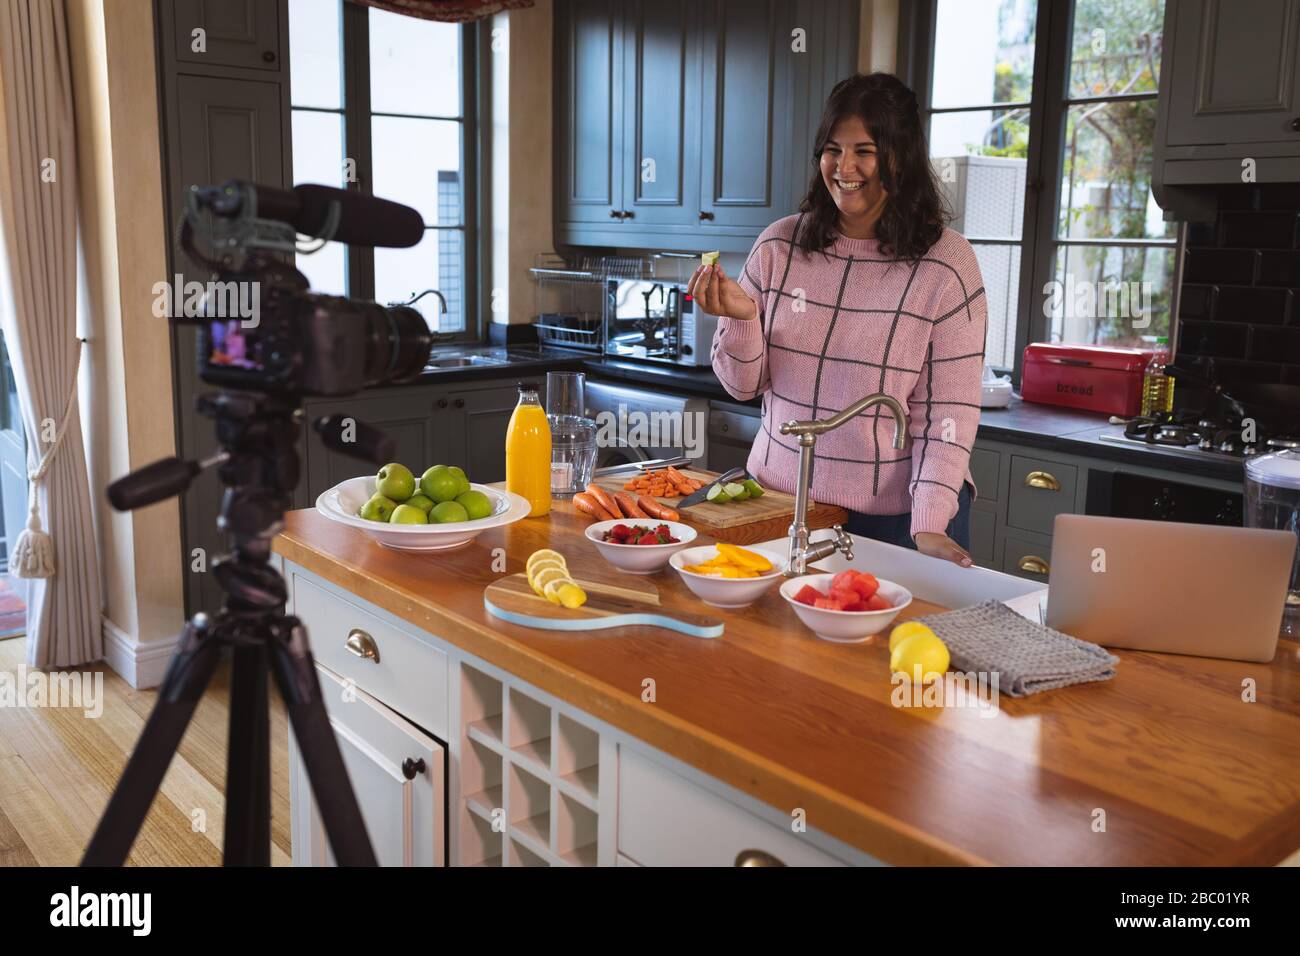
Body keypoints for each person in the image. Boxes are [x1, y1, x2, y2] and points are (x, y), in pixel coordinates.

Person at [688, 72, 985, 567]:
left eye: (864, 151)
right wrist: (742, 320)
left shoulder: (946, 264)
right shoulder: (779, 246)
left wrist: (930, 524)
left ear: (900, 158)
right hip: (780, 502)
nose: (844, 167)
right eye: (832, 149)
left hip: (898, 519)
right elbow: (743, 387)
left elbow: (948, 415)